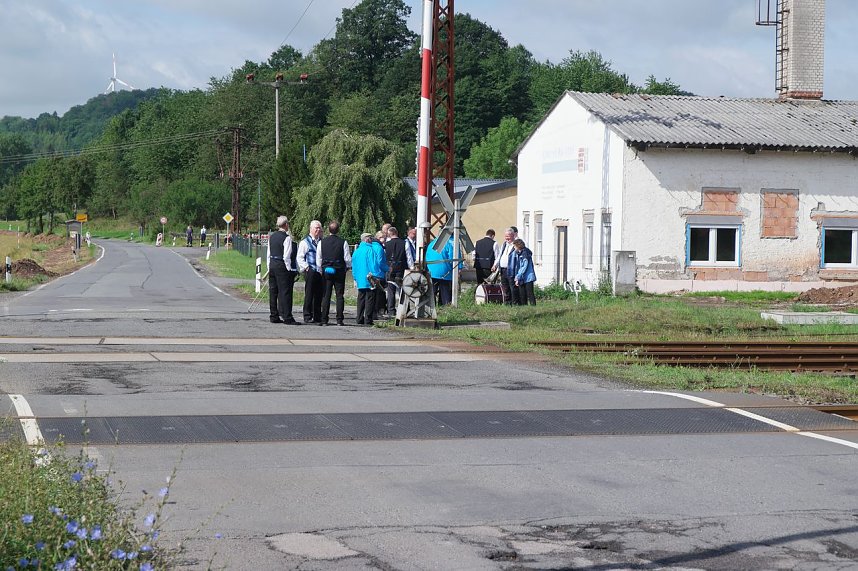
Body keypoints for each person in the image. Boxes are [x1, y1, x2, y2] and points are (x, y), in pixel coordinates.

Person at [267, 215, 300, 325]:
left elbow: (269, 253)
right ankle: (287, 316)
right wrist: (289, 269)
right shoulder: (287, 238)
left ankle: (274, 315)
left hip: (272, 264)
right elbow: (287, 256)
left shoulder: (272, 237)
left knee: (273, 291)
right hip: (282, 265)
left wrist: (269, 266)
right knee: (285, 292)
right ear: (286, 225)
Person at [318, 220, 351, 326]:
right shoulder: (343, 242)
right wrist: (348, 267)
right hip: (339, 270)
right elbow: (347, 258)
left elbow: (319, 258)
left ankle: (324, 319)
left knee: (326, 295)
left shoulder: (322, 242)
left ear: (328, 230)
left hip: (327, 270)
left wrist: (320, 269)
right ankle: (339, 319)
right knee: (339, 295)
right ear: (338, 230)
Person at [297, 220, 324, 324]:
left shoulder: (321, 241)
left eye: (319, 228)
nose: (318, 230)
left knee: (319, 294)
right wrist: (306, 267)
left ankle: (317, 315)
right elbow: (300, 257)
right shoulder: (305, 242)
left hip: (320, 271)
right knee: (309, 293)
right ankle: (307, 315)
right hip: (311, 270)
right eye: (316, 228)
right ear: (311, 229)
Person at [425, 236, 461, 306]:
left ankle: (432, 309)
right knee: (445, 293)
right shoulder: (449, 244)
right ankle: (445, 309)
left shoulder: (431, 244)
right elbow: (452, 259)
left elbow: (427, 256)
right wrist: (458, 269)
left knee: (432, 293)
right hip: (445, 273)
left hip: (431, 272)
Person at [351, 233, 377, 326]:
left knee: (361, 298)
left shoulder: (356, 251)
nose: (371, 240)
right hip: (369, 277)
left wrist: (355, 277)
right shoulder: (370, 250)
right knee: (370, 298)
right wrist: (375, 275)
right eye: (370, 238)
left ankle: (359, 318)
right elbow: (373, 264)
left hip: (360, 278)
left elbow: (353, 265)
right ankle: (368, 319)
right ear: (366, 239)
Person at [384, 226, 407, 316]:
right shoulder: (404, 243)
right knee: (402, 288)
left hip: (390, 267)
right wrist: (411, 267)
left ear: (390, 234)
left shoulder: (386, 244)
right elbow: (408, 256)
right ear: (396, 233)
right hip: (401, 267)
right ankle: (403, 308)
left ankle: (391, 310)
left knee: (391, 290)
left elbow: (384, 256)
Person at [492, 227, 519, 305]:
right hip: (503, 269)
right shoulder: (504, 244)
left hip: (511, 269)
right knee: (505, 287)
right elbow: (499, 255)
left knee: (512, 287)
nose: (507, 238)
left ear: (513, 235)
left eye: (509, 236)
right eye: (506, 236)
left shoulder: (516, 244)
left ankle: (514, 303)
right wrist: (495, 265)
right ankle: (507, 302)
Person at [512, 238, 537, 305]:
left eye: (514, 246)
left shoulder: (525, 253)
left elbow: (524, 266)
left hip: (528, 277)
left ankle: (533, 307)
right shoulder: (519, 253)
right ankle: (524, 307)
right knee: (522, 294)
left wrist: (518, 276)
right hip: (522, 277)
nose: (514, 248)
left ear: (518, 246)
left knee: (530, 293)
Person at [373, 230, 388, 319]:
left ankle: (373, 312)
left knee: (373, 295)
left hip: (372, 272)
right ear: (379, 238)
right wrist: (387, 268)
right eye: (384, 238)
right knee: (379, 295)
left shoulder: (372, 246)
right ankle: (378, 312)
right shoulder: (379, 248)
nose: (385, 240)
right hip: (379, 273)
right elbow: (380, 262)